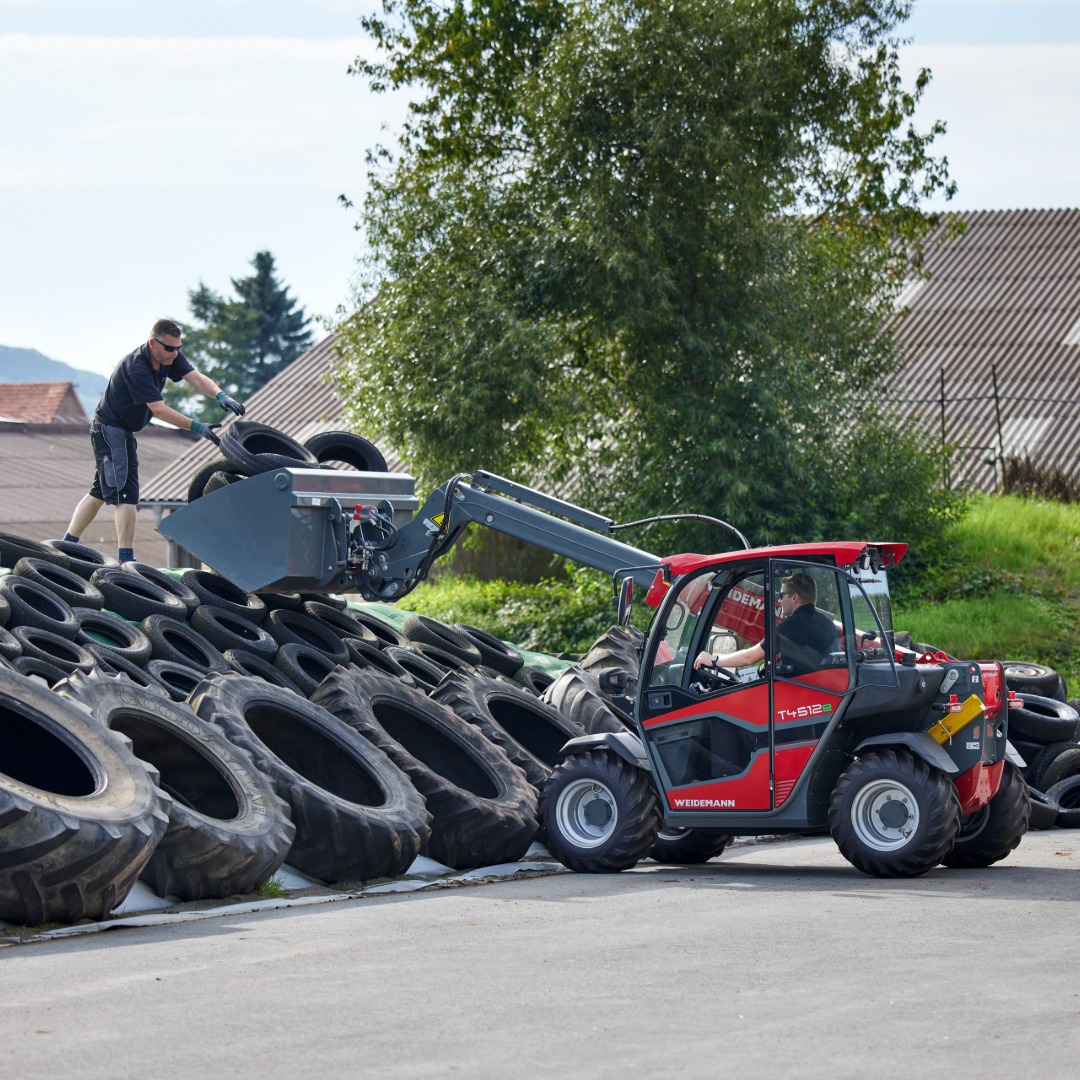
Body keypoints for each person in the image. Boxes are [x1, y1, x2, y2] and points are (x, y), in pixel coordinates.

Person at [64, 318, 246, 563]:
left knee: (99, 491)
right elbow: (159, 410)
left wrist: (220, 395)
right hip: (111, 429)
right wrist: (197, 426)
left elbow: (196, 377)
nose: (175, 353)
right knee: (126, 493)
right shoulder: (136, 366)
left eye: (178, 348)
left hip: (121, 430)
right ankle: (126, 560)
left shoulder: (169, 356)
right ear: (153, 343)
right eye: (170, 348)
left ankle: (66, 545)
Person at [694, 572, 839, 677]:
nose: (780, 600)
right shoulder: (828, 624)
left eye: (782, 595)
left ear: (795, 597)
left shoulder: (792, 625)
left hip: (795, 697)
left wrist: (713, 659)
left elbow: (749, 658)